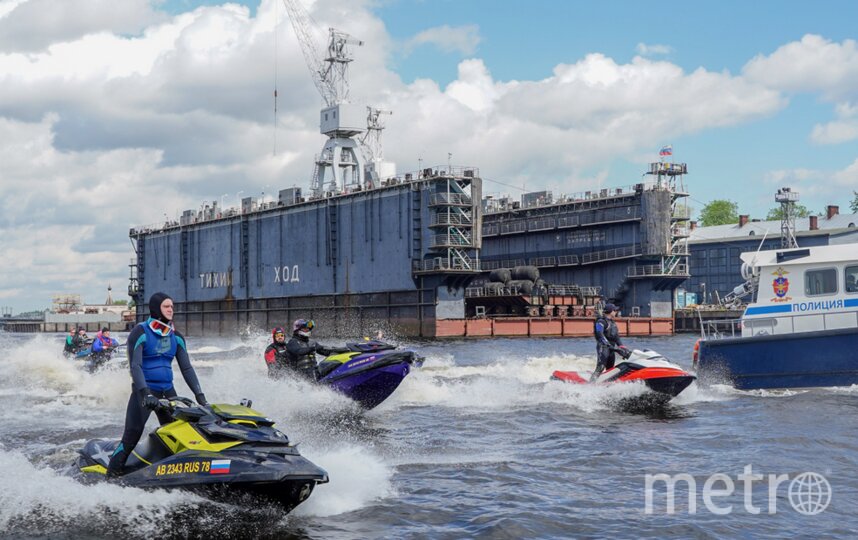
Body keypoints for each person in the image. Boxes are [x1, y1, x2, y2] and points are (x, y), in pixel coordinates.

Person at [106, 292, 208, 477]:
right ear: (156, 309)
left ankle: (177, 476)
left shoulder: (176, 337)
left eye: (172, 307)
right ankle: (110, 476)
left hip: (168, 392)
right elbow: (135, 366)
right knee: (131, 437)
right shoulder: (141, 332)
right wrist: (145, 393)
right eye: (166, 306)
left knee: (179, 436)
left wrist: (200, 396)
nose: (171, 310)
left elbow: (187, 369)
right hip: (145, 392)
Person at [591, 303, 630, 381]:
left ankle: (607, 384)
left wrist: (622, 347)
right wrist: (608, 345)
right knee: (600, 367)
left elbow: (616, 337)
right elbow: (599, 334)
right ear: (611, 311)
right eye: (615, 310)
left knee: (610, 370)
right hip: (603, 348)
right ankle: (590, 384)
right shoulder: (601, 322)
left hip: (612, 349)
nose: (616, 312)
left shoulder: (612, 323)